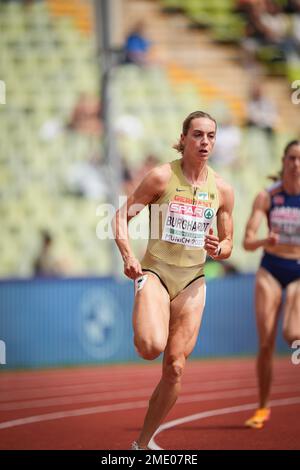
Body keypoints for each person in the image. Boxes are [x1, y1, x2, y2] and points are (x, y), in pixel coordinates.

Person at [113, 111, 234, 449]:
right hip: (155, 273)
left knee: (176, 368)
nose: (205, 141)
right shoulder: (161, 178)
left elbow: (228, 244)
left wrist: (220, 247)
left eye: (210, 135)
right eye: (197, 135)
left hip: (193, 281)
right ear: (183, 139)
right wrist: (128, 257)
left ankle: (143, 442)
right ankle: (143, 303)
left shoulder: (222, 189)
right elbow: (121, 217)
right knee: (150, 347)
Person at [243, 140, 300, 429]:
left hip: (298, 271)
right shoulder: (267, 197)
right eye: (292, 158)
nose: (296, 164)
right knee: (265, 343)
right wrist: (267, 239)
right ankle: (263, 408)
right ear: (283, 160)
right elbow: (247, 241)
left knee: (293, 336)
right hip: (271, 268)